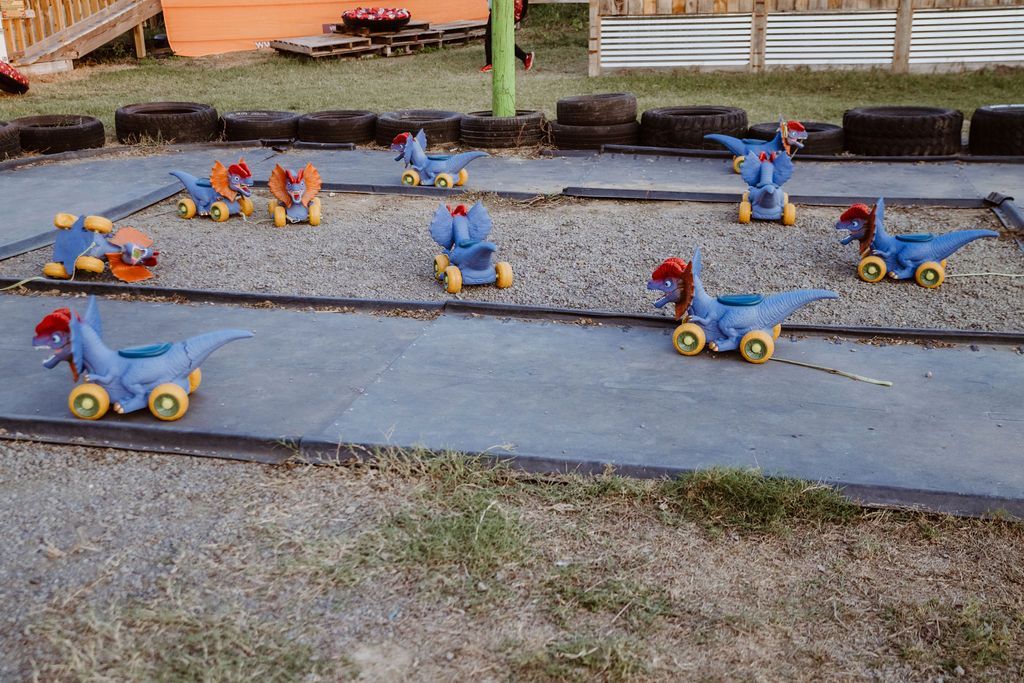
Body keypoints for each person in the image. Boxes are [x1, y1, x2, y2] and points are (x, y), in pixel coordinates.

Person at [481, 0, 534, 73]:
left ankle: (490, 63)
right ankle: (525, 57)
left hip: (503, 8)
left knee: (490, 36)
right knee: (502, 37)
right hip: (501, 8)